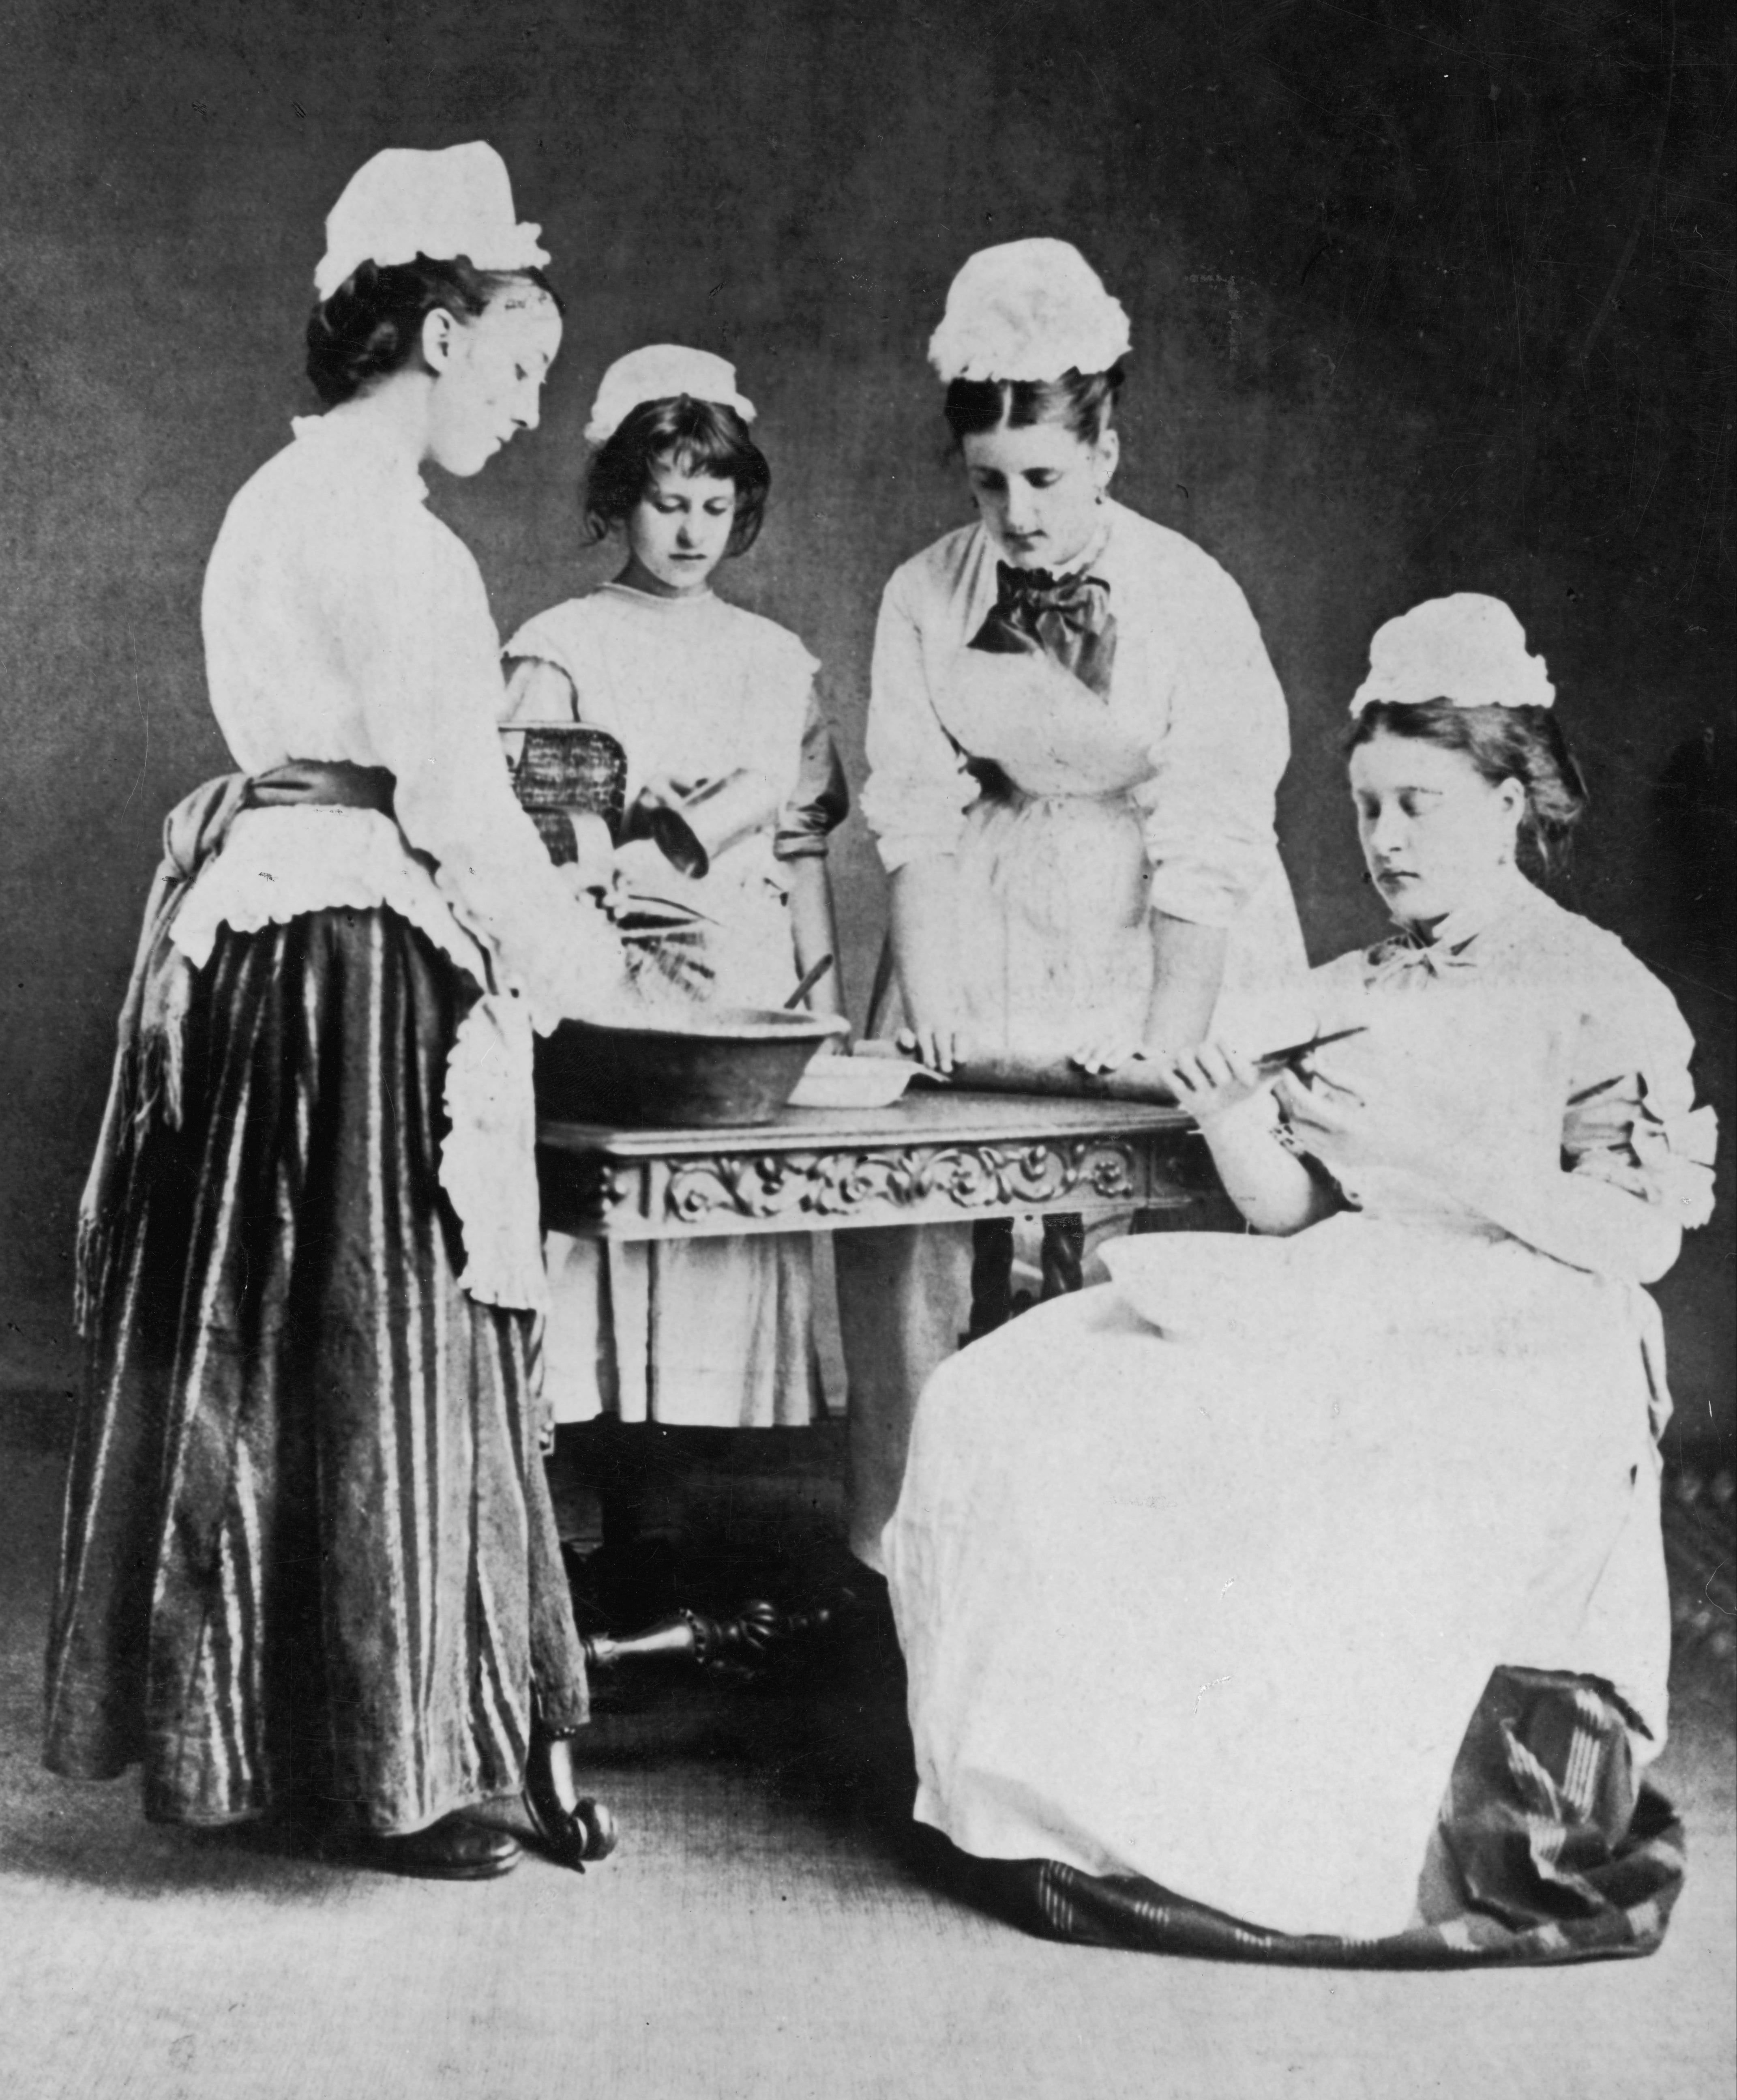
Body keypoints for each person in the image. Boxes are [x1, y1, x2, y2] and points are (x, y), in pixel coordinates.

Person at [882, 595, 1717, 1960]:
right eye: (1366, 807)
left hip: (1531, 1318)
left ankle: (1274, 1838)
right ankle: (1072, 1804)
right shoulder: (1359, 985)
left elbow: (1638, 1241)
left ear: (1510, 801)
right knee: (1007, 1394)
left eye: (1417, 806)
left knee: (1292, 1452)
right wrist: (1229, 1116)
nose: (1383, 841)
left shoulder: (1596, 990)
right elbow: (1291, 1216)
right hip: (1352, 1283)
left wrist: (1440, 1156)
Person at [45, 144, 625, 1881]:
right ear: (440, 335)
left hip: (261, 939)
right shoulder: (391, 538)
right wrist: (575, 955)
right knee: (382, 1335)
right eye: (521, 367)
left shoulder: (272, 504)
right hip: (354, 953)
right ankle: (398, 1761)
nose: (529, 413)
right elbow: (445, 793)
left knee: (278, 1338)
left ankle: (285, 1734)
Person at [837, 239, 1307, 1566]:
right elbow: (914, 809)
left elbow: (1210, 822)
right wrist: (930, 1012)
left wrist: (1171, 1039)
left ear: (1106, 449)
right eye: (989, 483)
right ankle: (927, 1561)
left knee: (1142, 1227)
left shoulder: (1184, 593)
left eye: (1044, 476)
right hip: (978, 912)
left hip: (1155, 919)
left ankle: (1135, 1563)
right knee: (923, 1219)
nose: (1019, 513)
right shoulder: (925, 594)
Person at [500, 345, 849, 1441]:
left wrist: (821, 1005)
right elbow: (518, 824)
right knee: (603, 1228)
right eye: (666, 503)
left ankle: (691, 1545)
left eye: (714, 503)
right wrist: (611, 818)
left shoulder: (773, 659)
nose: (691, 531)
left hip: (738, 987)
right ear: (620, 500)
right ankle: (611, 1531)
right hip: (600, 976)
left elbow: (798, 850)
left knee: (715, 1240)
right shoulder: (559, 647)